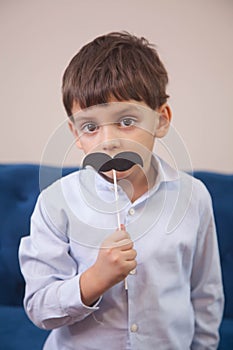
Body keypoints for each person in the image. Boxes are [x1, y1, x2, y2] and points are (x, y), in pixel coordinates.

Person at [19, 32, 224, 349]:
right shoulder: (56, 203)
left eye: (126, 120)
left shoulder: (194, 197)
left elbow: (205, 294)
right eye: (91, 127)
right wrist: (94, 279)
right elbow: (39, 307)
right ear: (75, 134)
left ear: (161, 120)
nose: (109, 141)